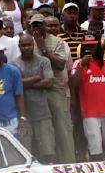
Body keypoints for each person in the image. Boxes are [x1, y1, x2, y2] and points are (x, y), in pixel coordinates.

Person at [31, 14, 76, 163]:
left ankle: (69, 162)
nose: (37, 28)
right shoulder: (28, 42)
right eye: (34, 25)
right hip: (35, 90)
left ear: (44, 25)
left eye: (39, 25)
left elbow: (60, 64)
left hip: (55, 88)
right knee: (43, 130)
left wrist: (44, 50)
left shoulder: (57, 41)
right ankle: (47, 164)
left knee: (63, 128)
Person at [70, 33, 105, 161]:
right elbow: (73, 84)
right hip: (89, 113)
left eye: (92, 46)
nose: (90, 49)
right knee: (95, 148)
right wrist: (82, 66)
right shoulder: (78, 63)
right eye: (86, 46)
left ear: (97, 47)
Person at [11, 33, 56, 162]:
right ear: (19, 46)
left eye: (29, 44)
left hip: (42, 111)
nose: (26, 47)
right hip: (23, 113)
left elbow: (49, 82)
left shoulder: (44, 61)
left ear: (33, 45)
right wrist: (36, 78)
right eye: (23, 45)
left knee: (48, 150)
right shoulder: (13, 63)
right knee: (25, 151)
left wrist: (25, 83)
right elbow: (15, 85)